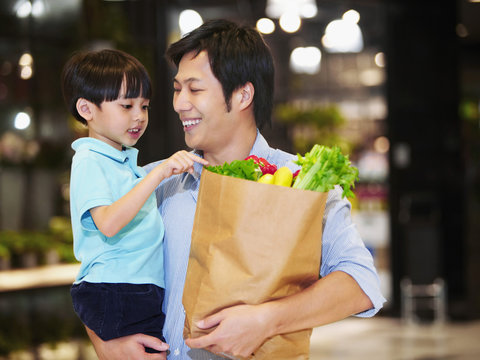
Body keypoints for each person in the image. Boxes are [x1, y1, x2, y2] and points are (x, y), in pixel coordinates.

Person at [85, 19, 386, 359]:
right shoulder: (151, 181)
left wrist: (267, 320)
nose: (179, 104)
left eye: (195, 90)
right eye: (176, 88)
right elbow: (94, 268)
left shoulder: (301, 183)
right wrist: (105, 343)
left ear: (242, 94)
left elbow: (361, 283)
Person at [61, 49, 207, 354]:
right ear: (86, 109)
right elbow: (109, 223)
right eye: (126, 105)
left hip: (132, 288)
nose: (139, 116)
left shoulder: (121, 162)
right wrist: (159, 174)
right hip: (117, 289)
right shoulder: (89, 159)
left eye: (145, 106)